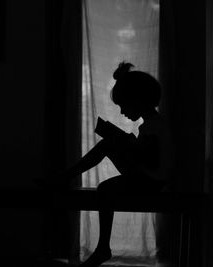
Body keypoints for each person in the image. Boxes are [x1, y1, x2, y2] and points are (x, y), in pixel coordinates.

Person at [57, 62, 174, 267]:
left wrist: (128, 144)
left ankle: (103, 248)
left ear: (137, 100)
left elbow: (151, 159)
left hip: (150, 182)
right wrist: (129, 143)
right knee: (107, 145)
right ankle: (65, 178)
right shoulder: (154, 123)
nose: (122, 112)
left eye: (123, 105)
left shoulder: (155, 125)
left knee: (105, 178)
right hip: (150, 179)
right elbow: (148, 154)